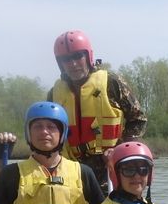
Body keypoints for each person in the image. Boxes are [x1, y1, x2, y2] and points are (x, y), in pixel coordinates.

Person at [48, 29, 147, 191]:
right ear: (60, 64)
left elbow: (138, 120)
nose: (73, 64)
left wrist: (119, 150)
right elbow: (50, 132)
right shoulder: (54, 93)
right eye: (66, 59)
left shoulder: (112, 82)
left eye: (77, 56)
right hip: (71, 170)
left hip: (110, 166)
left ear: (88, 57)